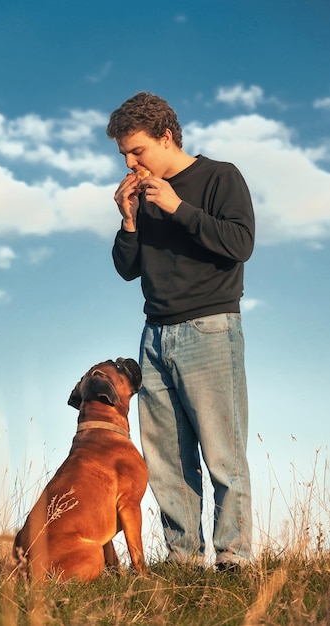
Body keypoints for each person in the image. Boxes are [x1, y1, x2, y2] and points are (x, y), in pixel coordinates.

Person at [106, 92, 255, 569]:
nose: (130, 162)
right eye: (125, 155)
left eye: (137, 151)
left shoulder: (220, 177)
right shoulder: (143, 198)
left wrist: (177, 208)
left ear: (165, 136)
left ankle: (234, 562)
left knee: (223, 458)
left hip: (210, 330)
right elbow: (127, 270)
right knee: (167, 461)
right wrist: (129, 221)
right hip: (155, 337)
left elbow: (240, 243)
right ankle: (183, 564)